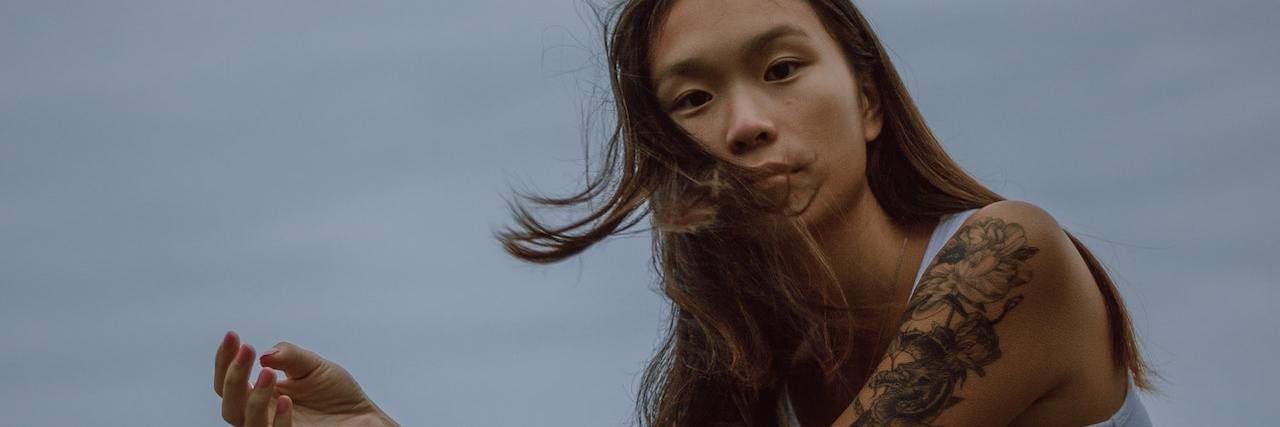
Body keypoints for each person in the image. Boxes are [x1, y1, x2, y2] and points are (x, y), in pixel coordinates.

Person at [212, 0, 1159, 425]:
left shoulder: (1006, 257)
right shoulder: (736, 372)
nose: (746, 125)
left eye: (781, 68)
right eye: (694, 99)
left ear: (869, 99)